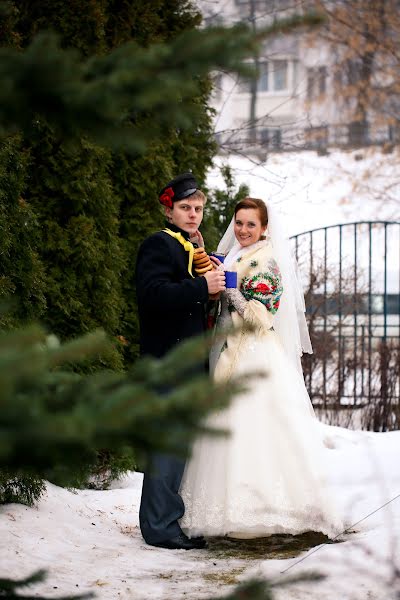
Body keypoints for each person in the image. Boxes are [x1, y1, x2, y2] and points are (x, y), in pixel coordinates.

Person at [179, 197, 343, 539]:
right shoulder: (236, 254)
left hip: (254, 353)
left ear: (264, 228)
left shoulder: (267, 262)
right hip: (229, 348)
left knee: (258, 428)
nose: (243, 230)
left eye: (251, 224)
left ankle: (265, 509)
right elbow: (219, 284)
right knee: (229, 429)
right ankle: (225, 509)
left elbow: (260, 317)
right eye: (239, 223)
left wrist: (232, 291)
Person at [136, 172, 225, 550]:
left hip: (187, 361)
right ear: (169, 210)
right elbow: (153, 295)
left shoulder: (186, 246)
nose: (193, 215)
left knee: (180, 446)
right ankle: (159, 528)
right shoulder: (159, 245)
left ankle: (169, 520)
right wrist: (201, 288)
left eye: (198, 209)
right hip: (168, 361)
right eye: (185, 208)